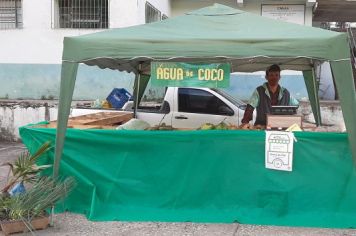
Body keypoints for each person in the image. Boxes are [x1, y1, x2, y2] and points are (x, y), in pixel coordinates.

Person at [240, 64, 299, 128]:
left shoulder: (286, 92)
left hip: (281, 128)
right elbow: (250, 107)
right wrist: (245, 122)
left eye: (276, 75)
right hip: (262, 127)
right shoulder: (259, 91)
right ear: (266, 77)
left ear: (279, 77)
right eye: (271, 75)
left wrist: (289, 116)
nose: (274, 77)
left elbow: (296, 105)